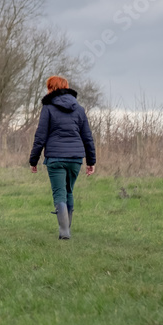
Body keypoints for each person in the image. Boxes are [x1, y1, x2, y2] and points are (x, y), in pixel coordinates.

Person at [29, 76, 96, 240]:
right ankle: (66, 229)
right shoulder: (79, 109)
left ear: (51, 89)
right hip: (75, 158)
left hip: (55, 158)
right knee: (68, 191)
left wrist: (33, 160)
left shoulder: (48, 108)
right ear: (66, 87)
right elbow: (87, 137)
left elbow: (40, 136)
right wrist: (91, 161)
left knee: (59, 193)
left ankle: (64, 232)